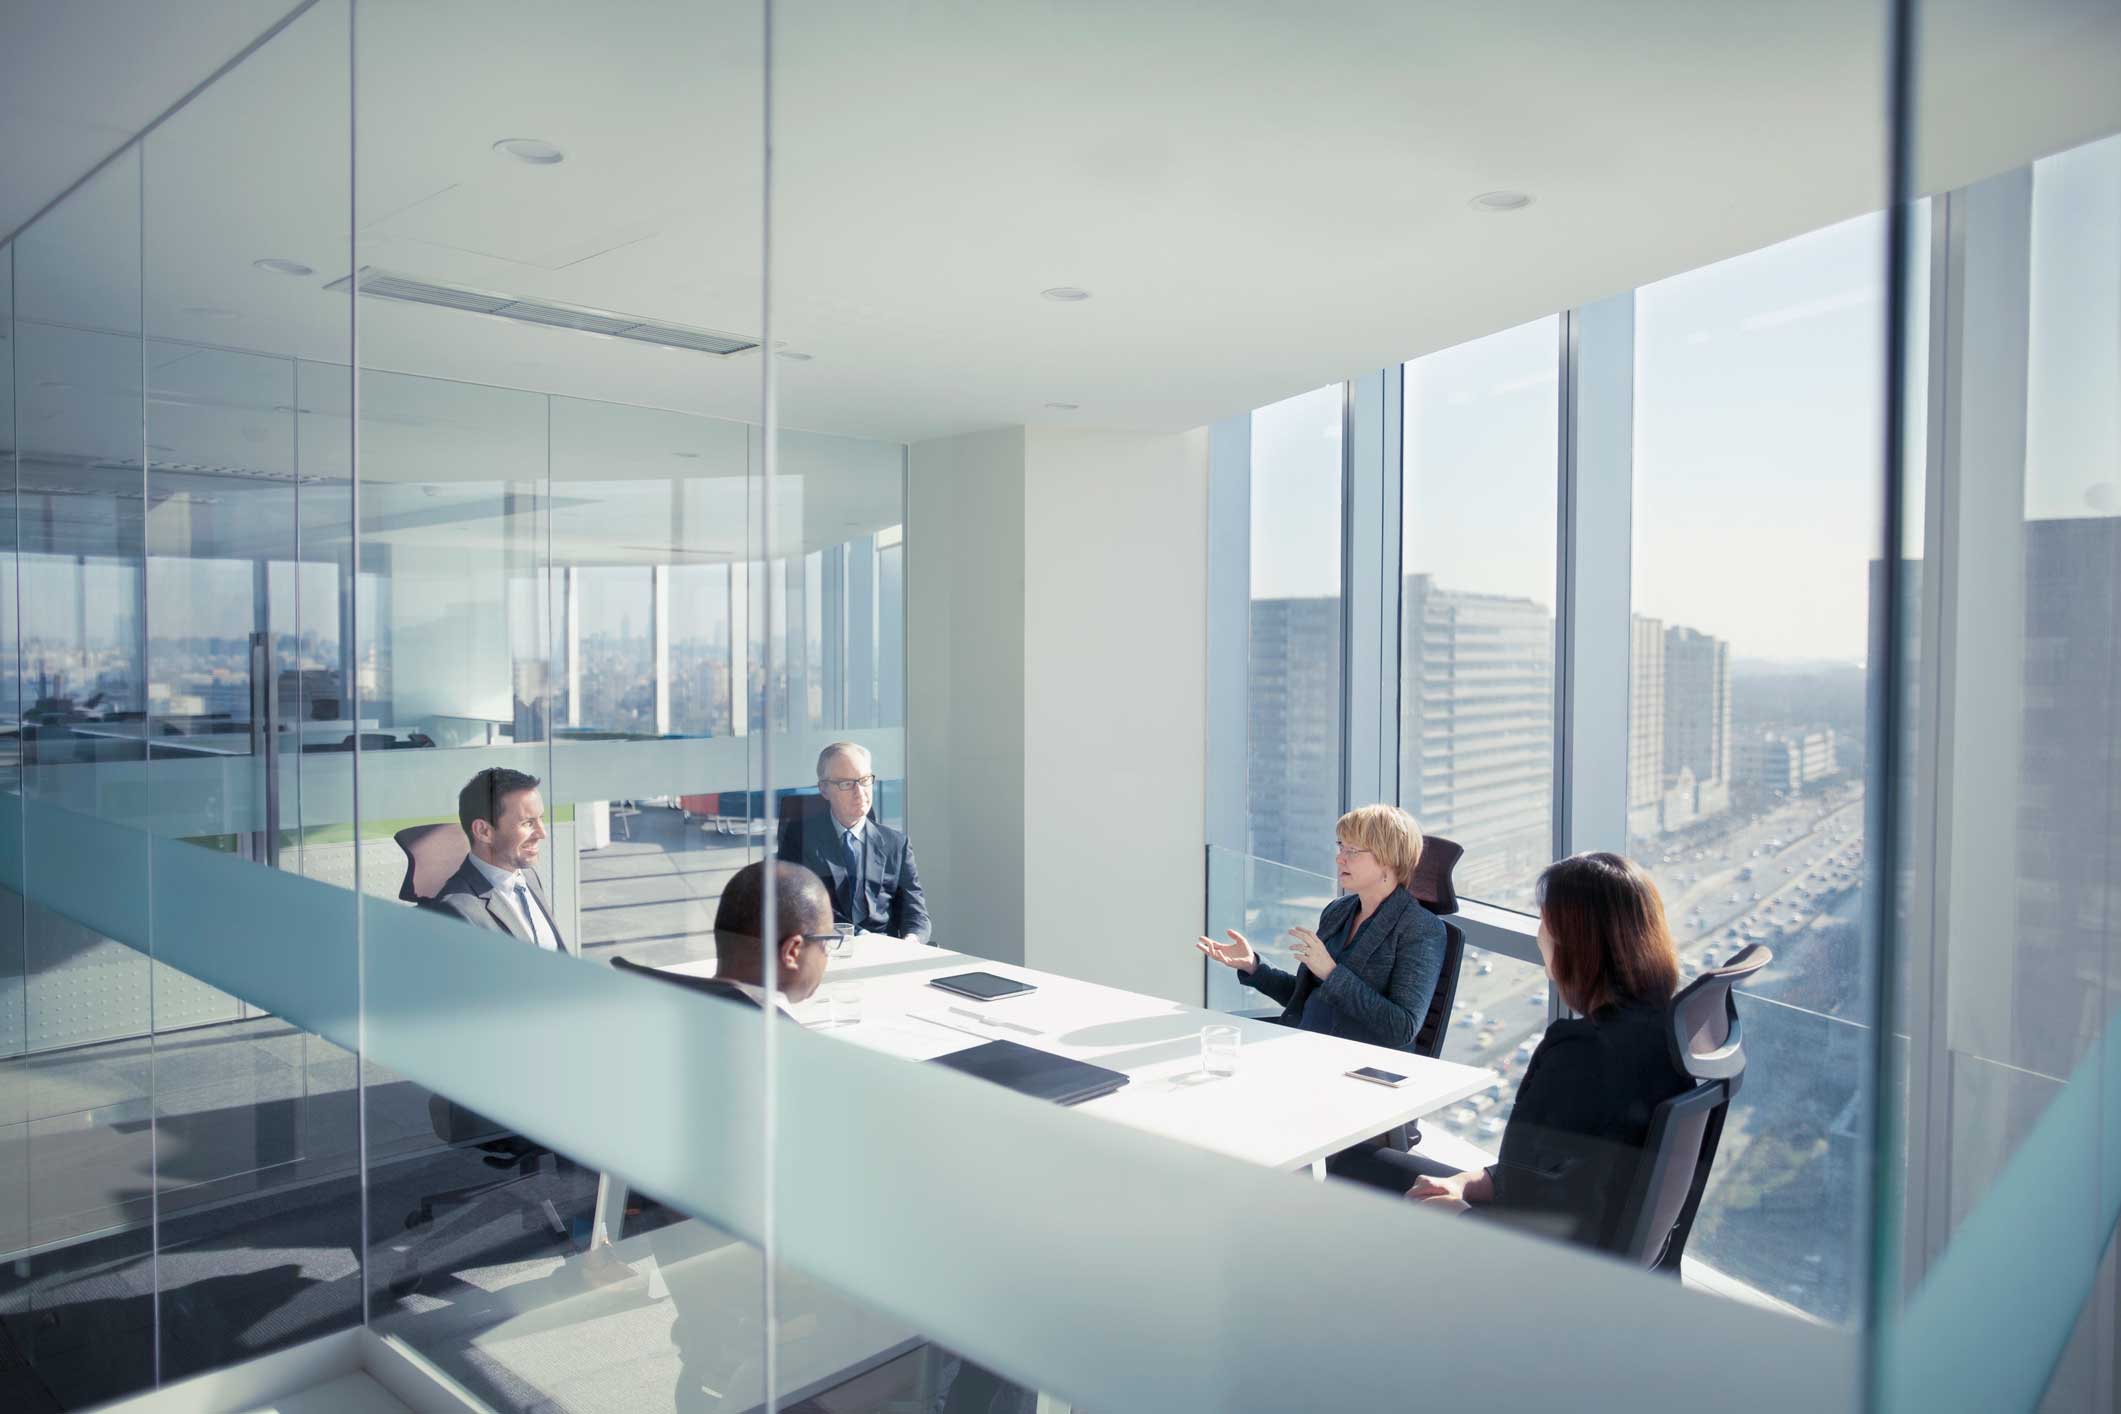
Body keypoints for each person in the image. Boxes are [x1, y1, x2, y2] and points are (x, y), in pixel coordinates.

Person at [1340, 852, 1692, 1253]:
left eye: (1545, 922)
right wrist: (1461, 1184)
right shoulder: (1667, 1031)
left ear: (1577, 942)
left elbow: (1543, 1215)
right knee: (1373, 1168)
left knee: (1348, 1168)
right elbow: (1553, 1177)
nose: (1539, 934)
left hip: (1525, 1265)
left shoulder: (1579, 1053)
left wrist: (1461, 1216)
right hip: (1594, 1263)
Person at [1196, 803, 1446, 1052]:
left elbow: (1402, 1028)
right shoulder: (1339, 911)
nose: (1340, 858)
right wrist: (1253, 966)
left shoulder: (1421, 928)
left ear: (1389, 859)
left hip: (1358, 1066)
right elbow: (1306, 997)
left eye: (1353, 851)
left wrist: (1331, 973)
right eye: (1340, 847)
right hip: (1307, 1045)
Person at [777, 741, 931, 941]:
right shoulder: (800, 838)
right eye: (847, 784)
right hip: (826, 951)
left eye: (865, 780)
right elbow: (802, 905)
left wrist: (912, 940)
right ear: (824, 789)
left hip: (886, 954)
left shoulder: (896, 844)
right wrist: (861, 937)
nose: (860, 792)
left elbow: (915, 911)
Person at [425, 767, 566, 951]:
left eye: (541, 819)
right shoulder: (457, 911)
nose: (542, 833)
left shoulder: (528, 877)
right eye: (528, 823)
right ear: (484, 831)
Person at [686, 859, 837, 1010]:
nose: (826, 955)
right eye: (825, 943)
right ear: (792, 951)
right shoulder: (781, 1032)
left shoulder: (681, 1012)